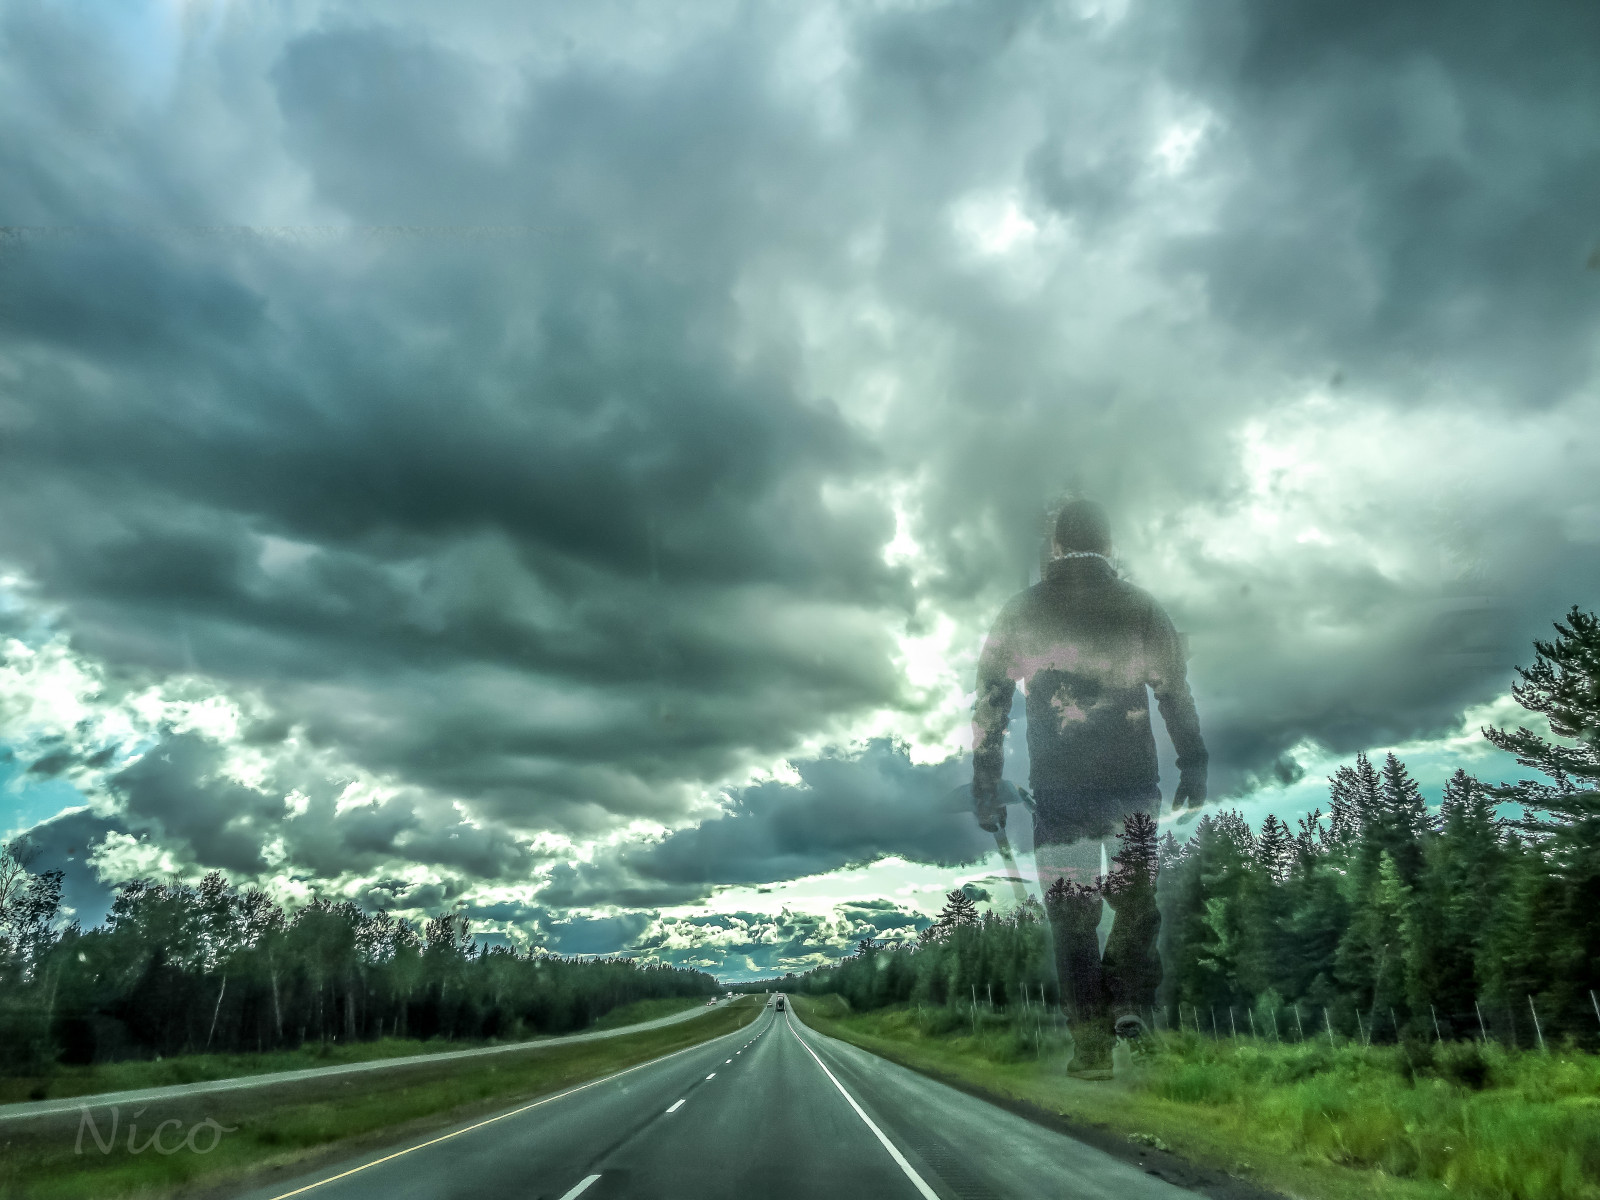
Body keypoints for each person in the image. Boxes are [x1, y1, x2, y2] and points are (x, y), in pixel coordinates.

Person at [971, 498, 1206, 1021]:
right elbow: (1175, 692)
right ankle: (1130, 1008)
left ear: (1054, 545)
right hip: (1133, 785)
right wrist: (1194, 764)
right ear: (1109, 545)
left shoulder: (1020, 611)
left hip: (1059, 791)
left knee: (1073, 917)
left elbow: (991, 705)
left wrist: (986, 786)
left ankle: (1094, 1045)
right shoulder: (1141, 606)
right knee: (1136, 905)